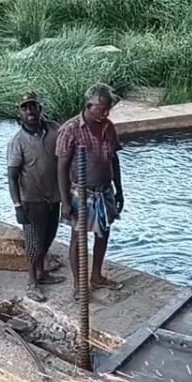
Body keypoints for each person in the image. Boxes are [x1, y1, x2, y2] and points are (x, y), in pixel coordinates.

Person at [56, 83, 125, 298]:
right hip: (80, 191)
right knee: (78, 238)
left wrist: (119, 190)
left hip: (105, 190)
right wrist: (65, 201)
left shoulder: (108, 127)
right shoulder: (70, 129)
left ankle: (96, 275)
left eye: (108, 109)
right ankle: (79, 285)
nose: (105, 113)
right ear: (89, 105)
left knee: (103, 233)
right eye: (102, 108)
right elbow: (61, 166)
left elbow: (114, 159)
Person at [7, 92, 64, 301]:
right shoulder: (18, 141)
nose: (30, 111)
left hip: (53, 197)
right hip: (31, 200)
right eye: (25, 108)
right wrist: (17, 206)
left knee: (48, 237)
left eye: (33, 107)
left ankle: (41, 273)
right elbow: (12, 176)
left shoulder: (54, 130)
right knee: (33, 244)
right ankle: (32, 283)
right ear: (20, 113)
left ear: (39, 109)